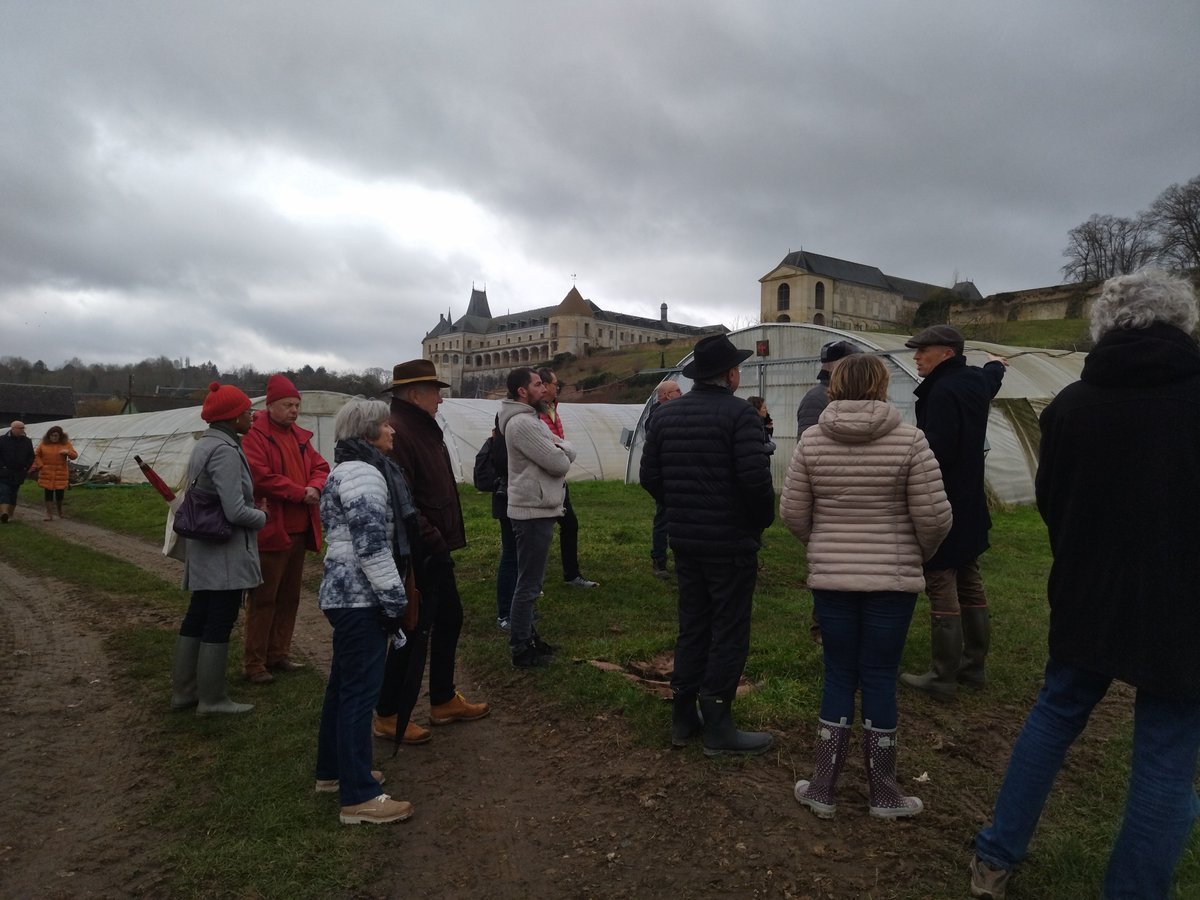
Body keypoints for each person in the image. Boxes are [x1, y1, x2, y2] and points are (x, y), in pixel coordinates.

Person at [970, 270, 1200, 900]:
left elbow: (1053, 500)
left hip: (1087, 589)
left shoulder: (1072, 405)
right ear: (1182, 324)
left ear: (1105, 326)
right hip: (1184, 603)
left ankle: (994, 858)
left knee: (1055, 712)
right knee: (1167, 747)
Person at [781, 354, 952, 819]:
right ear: (880, 386)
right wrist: (918, 554)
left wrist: (823, 546)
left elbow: (793, 513)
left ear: (835, 386)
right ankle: (884, 793)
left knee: (838, 673)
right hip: (892, 584)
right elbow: (933, 518)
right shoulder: (911, 441)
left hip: (832, 580)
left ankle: (822, 788)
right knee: (879, 676)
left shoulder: (812, 441)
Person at [640, 333, 777, 756]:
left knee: (694, 626)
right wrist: (757, 524)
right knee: (729, 631)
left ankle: (684, 717)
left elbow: (650, 478)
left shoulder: (664, 417)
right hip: (730, 543)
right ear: (731, 374)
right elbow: (756, 483)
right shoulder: (740, 417)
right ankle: (718, 725)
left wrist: (680, 506)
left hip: (686, 540)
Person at [372, 360, 489, 746]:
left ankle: (441, 699)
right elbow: (400, 498)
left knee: (449, 617)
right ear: (414, 394)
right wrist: (432, 540)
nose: (441, 397)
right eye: (435, 390)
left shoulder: (421, 427)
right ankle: (388, 713)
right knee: (414, 627)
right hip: (419, 549)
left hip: (432, 545)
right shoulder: (401, 431)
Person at [315, 397, 415, 825]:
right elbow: (372, 546)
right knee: (360, 694)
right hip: (360, 598)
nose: (393, 431)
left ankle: (333, 771)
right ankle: (359, 797)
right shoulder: (365, 476)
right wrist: (395, 601)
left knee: (342, 687)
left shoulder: (343, 469)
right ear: (369, 431)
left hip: (343, 596)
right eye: (386, 426)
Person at [898, 324, 1007, 701]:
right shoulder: (976, 381)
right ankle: (973, 667)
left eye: (922, 350)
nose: (916, 357)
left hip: (943, 499)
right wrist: (997, 364)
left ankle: (943, 676)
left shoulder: (942, 393)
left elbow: (935, 453)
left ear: (946, 352)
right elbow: (992, 379)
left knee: (942, 578)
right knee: (970, 575)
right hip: (971, 499)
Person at [171, 382, 267, 716]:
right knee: (219, 619)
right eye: (246, 411)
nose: (251, 415)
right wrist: (263, 516)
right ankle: (212, 699)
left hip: (203, 547)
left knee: (198, 614)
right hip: (223, 551)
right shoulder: (226, 451)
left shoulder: (205, 444)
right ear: (231, 416)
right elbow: (235, 511)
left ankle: (185, 692)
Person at [241, 374, 330, 684]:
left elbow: (321, 467)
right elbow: (260, 477)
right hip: (271, 529)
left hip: (298, 528)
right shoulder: (255, 436)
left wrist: (315, 487)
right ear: (271, 405)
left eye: (296, 405)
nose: (294, 410)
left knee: (290, 595)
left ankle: (279, 653)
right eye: (288, 405)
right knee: (265, 596)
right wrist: (299, 492)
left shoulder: (299, 437)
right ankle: (255, 663)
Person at [501, 366, 576, 667]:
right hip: (532, 511)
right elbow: (558, 462)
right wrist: (566, 448)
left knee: (531, 581)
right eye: (537, 384)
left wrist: (561, 448)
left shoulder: (530, 419)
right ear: (522, 391)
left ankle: (528, 637)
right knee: (529, 584)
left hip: (537, 507)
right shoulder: (524, 424)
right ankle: (521, 648)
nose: (544, 389)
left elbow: (556, 452)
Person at [796, 340, 861, 645]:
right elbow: (810, 454)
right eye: (853, 362)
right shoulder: (815, 399)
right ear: (838, 366)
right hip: (830, 499)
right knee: (830, 569)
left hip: (855, 498)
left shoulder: (851, 398)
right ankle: (822, 630)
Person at [536, 367, 598, 589]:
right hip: (543, 480)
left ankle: (571, 574)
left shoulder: (552, 408)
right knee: (540, 532)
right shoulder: (533, 413)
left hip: (558, 478)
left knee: (569, 525)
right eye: (555, 384)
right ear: (543, 386)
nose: (558, 387)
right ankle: (534, 583)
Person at [647, 380, 681, 580]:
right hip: (666, 476)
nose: (682, 393)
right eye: (678, 390)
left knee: (676, 519)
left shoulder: (668, 412)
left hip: (674, 473)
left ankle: (679, 559)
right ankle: (659, 560)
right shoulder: (658, 416)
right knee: (663, 519)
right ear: (667, 395)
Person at [34, 425, 78, 520]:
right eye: (52, 435)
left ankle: (60, 511)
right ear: (49, 436)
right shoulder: (43, 444)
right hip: (47, 472)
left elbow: (74, 455)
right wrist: (41, 465)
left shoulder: (66, 444)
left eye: (56, 435)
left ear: (60, 436)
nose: (54, 437)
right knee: (48, 494)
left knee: (60, 494)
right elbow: (36, 455)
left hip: (60, 473)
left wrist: (68, 452)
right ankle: (49, 514)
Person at [0, 420, 35, 523]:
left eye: (23, 428)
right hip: (4, 472)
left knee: (13, 493)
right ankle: (4, 513)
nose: (22, 430)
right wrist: (2, 466)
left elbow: (31, 456)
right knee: (4, 492)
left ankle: (10, 515)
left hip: (19, 472)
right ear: (13, 428)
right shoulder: (2, 440)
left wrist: (26, 467)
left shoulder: (27, 441)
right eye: (20, 428)